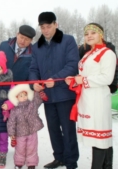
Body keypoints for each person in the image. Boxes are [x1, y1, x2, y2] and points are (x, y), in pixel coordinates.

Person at [29, 12, 79, 169]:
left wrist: (56, 79)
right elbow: (33, 68)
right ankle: (59, 158)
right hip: (48, 96)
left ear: (56, 24)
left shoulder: (68, 40)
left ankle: (71, 162)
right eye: (42, 27)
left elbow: (72, 65)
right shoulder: (37, 46)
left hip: (64, 94)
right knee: (53, 129)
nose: (45, 30)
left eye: (48, 26)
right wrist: (34, 83)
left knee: (68, 129)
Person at [65, 23, 116, 169]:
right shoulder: (88, 53)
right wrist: (75, 79)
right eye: (87, 33)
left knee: (100, 137)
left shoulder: (107, 53)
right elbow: (84, 74)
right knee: (96, 138)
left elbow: (107, 78)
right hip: (87, 99)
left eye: (93, 33)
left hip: (98, 99)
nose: (89, 36)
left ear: (101, 34)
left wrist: (84, 80)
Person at [5, 84, 44, 169]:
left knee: (32, 147)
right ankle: (19, 162)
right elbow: (11, 121)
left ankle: (31, 163)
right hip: (20, 133)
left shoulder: (32, 104)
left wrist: (36, 91)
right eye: (21, 96)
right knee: (20, 148)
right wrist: (12, 133)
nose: (24, 97)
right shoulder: (14, 109)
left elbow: (38, 100)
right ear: (16, 98)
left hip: (32, 131)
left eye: (25, 95)